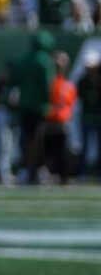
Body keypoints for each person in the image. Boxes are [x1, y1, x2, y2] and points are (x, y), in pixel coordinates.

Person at [11, 31, 56, 183]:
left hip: (24, 106)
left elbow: (14, 82)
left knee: (26, 138)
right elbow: (48, 85)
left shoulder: (23, 59)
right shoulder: (44, 61)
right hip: (39, 107)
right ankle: (36, 169)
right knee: (37, 139)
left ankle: (27, 168)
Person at [43, 51, 76, 184]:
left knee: (63, 150)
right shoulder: (50, 82)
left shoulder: (67, 84)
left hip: (62, 122)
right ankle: (51, 174)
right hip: (49, 121)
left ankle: (63, 176)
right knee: (49, 151)